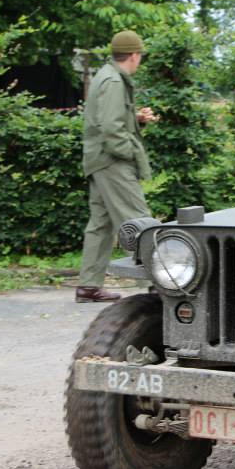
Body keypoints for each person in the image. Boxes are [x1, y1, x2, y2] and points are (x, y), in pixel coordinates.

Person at [75, 30, 159, 303]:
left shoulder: (106, 75)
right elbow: (111, 129)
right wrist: (129, 154)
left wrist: (136, 118)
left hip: (99, 159)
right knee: (140, 220)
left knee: (100, 225)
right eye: (140, 57)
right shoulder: (114, 81)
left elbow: (108, 118)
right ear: (134, 56)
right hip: (112, 161)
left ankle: (88, 286)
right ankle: (163, 284)